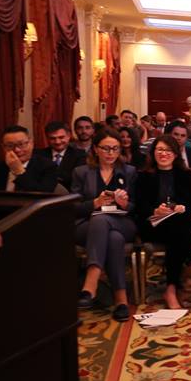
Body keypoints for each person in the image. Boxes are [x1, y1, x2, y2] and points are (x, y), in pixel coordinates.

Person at [135, 135, 191, 308]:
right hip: (153, 225)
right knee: (179, 231)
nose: (163, 153)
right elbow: (139, 206)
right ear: (153, 152)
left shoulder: (187, 175)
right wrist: (155, 211)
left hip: (179, 224)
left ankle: (171, 290)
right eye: (160, 149)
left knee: (176, 232)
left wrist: (182, 208)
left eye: (168, 150)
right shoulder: (143, 176)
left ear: (175, 154)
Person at [72, 127, 137, 321]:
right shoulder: (81, 172)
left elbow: (137, 207)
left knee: (107, 225)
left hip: (122, 222)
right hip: (88, 225)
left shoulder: (129, 171)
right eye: (106, 148)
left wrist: (124, 203)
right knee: (112, 236)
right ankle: (121, 300)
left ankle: (91, 282)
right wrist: (95, 203)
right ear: (95, 149)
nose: (111, 153)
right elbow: (73, 207)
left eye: (115, 149)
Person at [0, 125, 58, 192]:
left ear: (31, 144)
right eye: (10, 146)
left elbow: (42, 196)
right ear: (3, 147)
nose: (17, 150)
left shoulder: (48, 167)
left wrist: (19, 171)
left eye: (21, 144)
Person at [36, 120, 86, 191]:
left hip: (70, 195)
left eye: (61, 137)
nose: (57, 142)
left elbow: (76, 180)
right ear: (47, 138)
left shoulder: (80, 155)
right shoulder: (38, 155)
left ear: (69, 136)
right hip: (43, 195)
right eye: (52, 138)